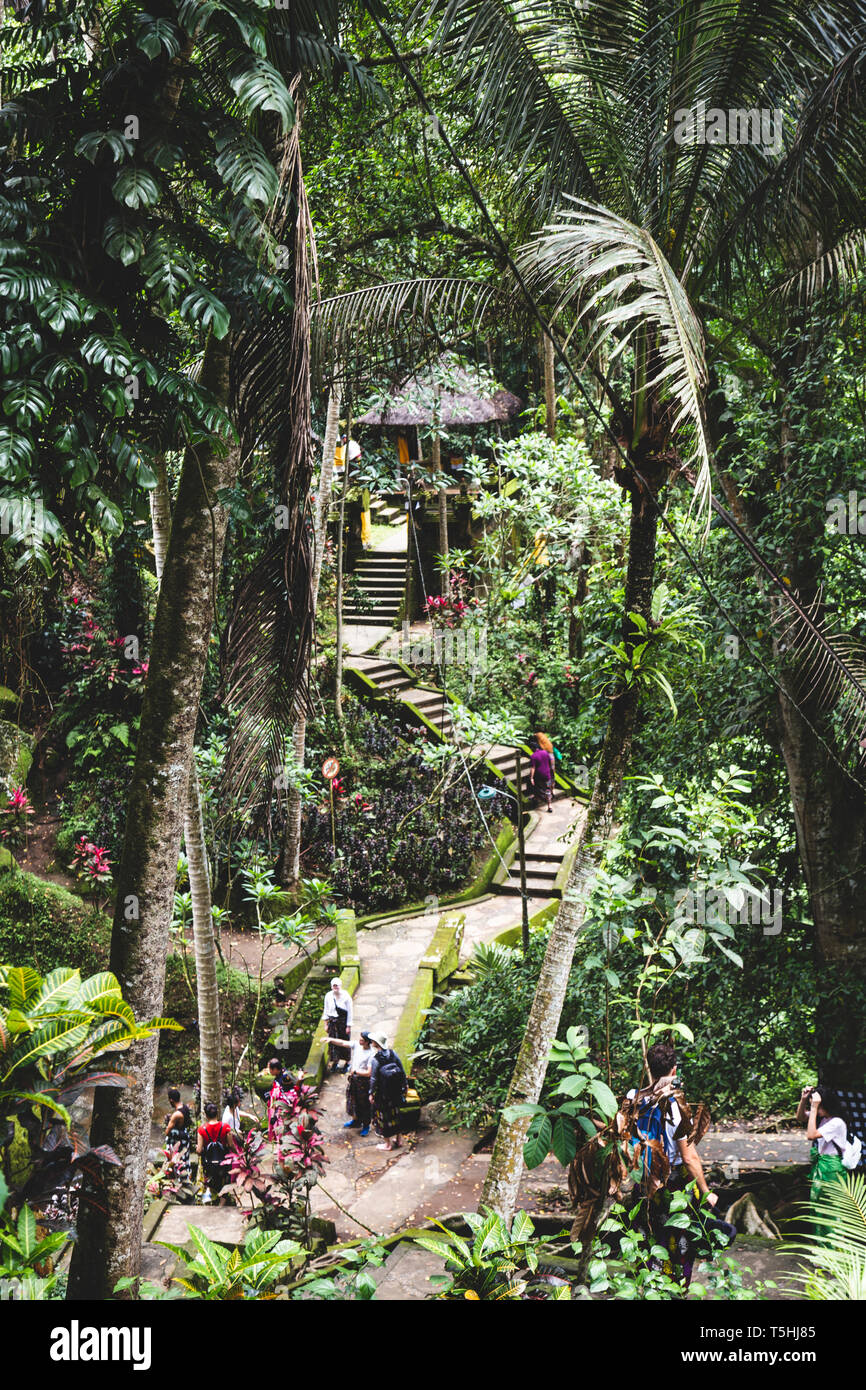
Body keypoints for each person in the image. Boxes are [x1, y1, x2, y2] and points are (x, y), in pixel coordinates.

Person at [628, 1041, 732, 1287]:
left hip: (642, 1180)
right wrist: (707, 1192)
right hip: (671, 1184)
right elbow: (689, 1157)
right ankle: (676, 1288)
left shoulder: (633, 1098)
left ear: (649, 1068)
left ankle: (648, 1286)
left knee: (646, 1237)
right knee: (678, 1241)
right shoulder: (676, 1109)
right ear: (674, 1071)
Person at [797, 1085, 851, 1234]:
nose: (814, 1109)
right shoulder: (824, 1119)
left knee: (831, 1208)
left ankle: (834, 1247)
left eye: (817, 1106)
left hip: (831, 1168)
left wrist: (814, 1107)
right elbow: (800, 1117)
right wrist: (803, 1099)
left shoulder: (836, 1122)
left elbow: (810, 1135)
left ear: (825, 1104)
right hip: (822, 1165)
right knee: (818, 1206)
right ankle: (821, 1245)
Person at [368, 1031, 408, 1152]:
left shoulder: (376, 1060)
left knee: (383, 1118)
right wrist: (405, 1085)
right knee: (396, 1115)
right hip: (395, 1092)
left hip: (383, 1095)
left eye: (373, 1041)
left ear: (376, 1043)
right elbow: (401, 1069)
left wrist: (371, 1093)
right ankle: (399, 1140)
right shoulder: (392, 1053)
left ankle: (387, 1144)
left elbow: (374, 1078)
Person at [196, 1102, 236, 1205]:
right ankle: (222, 1202)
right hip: (224, 1161)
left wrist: (198, 1149)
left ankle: (211, 1199)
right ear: (217, 1113)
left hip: (209, 1163)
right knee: (225, 1180)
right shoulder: (225, 1127)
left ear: (205, 1114)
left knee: (210, 1180)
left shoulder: (201, 1130)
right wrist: (238, 1154)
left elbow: (199, 1151)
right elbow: (231, 1145)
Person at [342, 1030, 374, 1136]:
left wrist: (356, 1071)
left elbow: (369, 1073)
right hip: (354, 1080)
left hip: (363, 1082)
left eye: (362, 1039)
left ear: (367, 1042)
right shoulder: (357, 1045)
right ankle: (356, 1121)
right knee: (352, 1100)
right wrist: (330, 1040)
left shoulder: (371, 1054)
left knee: (364, 1104)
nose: (359, 1040)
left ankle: (366, 1125)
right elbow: (343, 1043)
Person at [323, 978, 353, 1072]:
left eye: (337, 985)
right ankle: (335, 1061)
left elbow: (350, 1012)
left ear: (340, 985)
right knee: (333, 1043)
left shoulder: (346, 996)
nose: (335, 987)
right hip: (332, 1022)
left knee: (344, 1042)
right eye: (334, 985)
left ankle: (347, 1063)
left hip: (343, 1022)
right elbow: (326, 1010)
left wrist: (348, 1026)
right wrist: (326, 1024)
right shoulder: (328, 996)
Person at [164, 1087, 191, 1178]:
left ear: (171, 1100)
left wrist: (169, 1121)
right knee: (184, 1160)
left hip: (178, 1142)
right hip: (184, 1137)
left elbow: (167, 1132)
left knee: (177, 1162)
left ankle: (177, 1179)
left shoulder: (176, 1114)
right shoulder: (185, 1107)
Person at [266, 1057, 294, 1141]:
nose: (269, 1071)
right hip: (278, 1104)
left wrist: (274, 1114)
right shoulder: (281, 1074)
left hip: (283, 1107)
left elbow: (287, 1094)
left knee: (281, 1127)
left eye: (270, 1069)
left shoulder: (285, 1077)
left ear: (275, 1069)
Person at [529, 739, 555, 812]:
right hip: (547, 775)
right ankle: (549, 806)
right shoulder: (545, 752)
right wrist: (552, 772)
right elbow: (551, 762)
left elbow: (533, 768)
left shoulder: (533, 756)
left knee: (535, 787)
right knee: (547, 790)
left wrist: (531, 778)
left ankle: (536, 798)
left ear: (533, 748)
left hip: (539, 776)